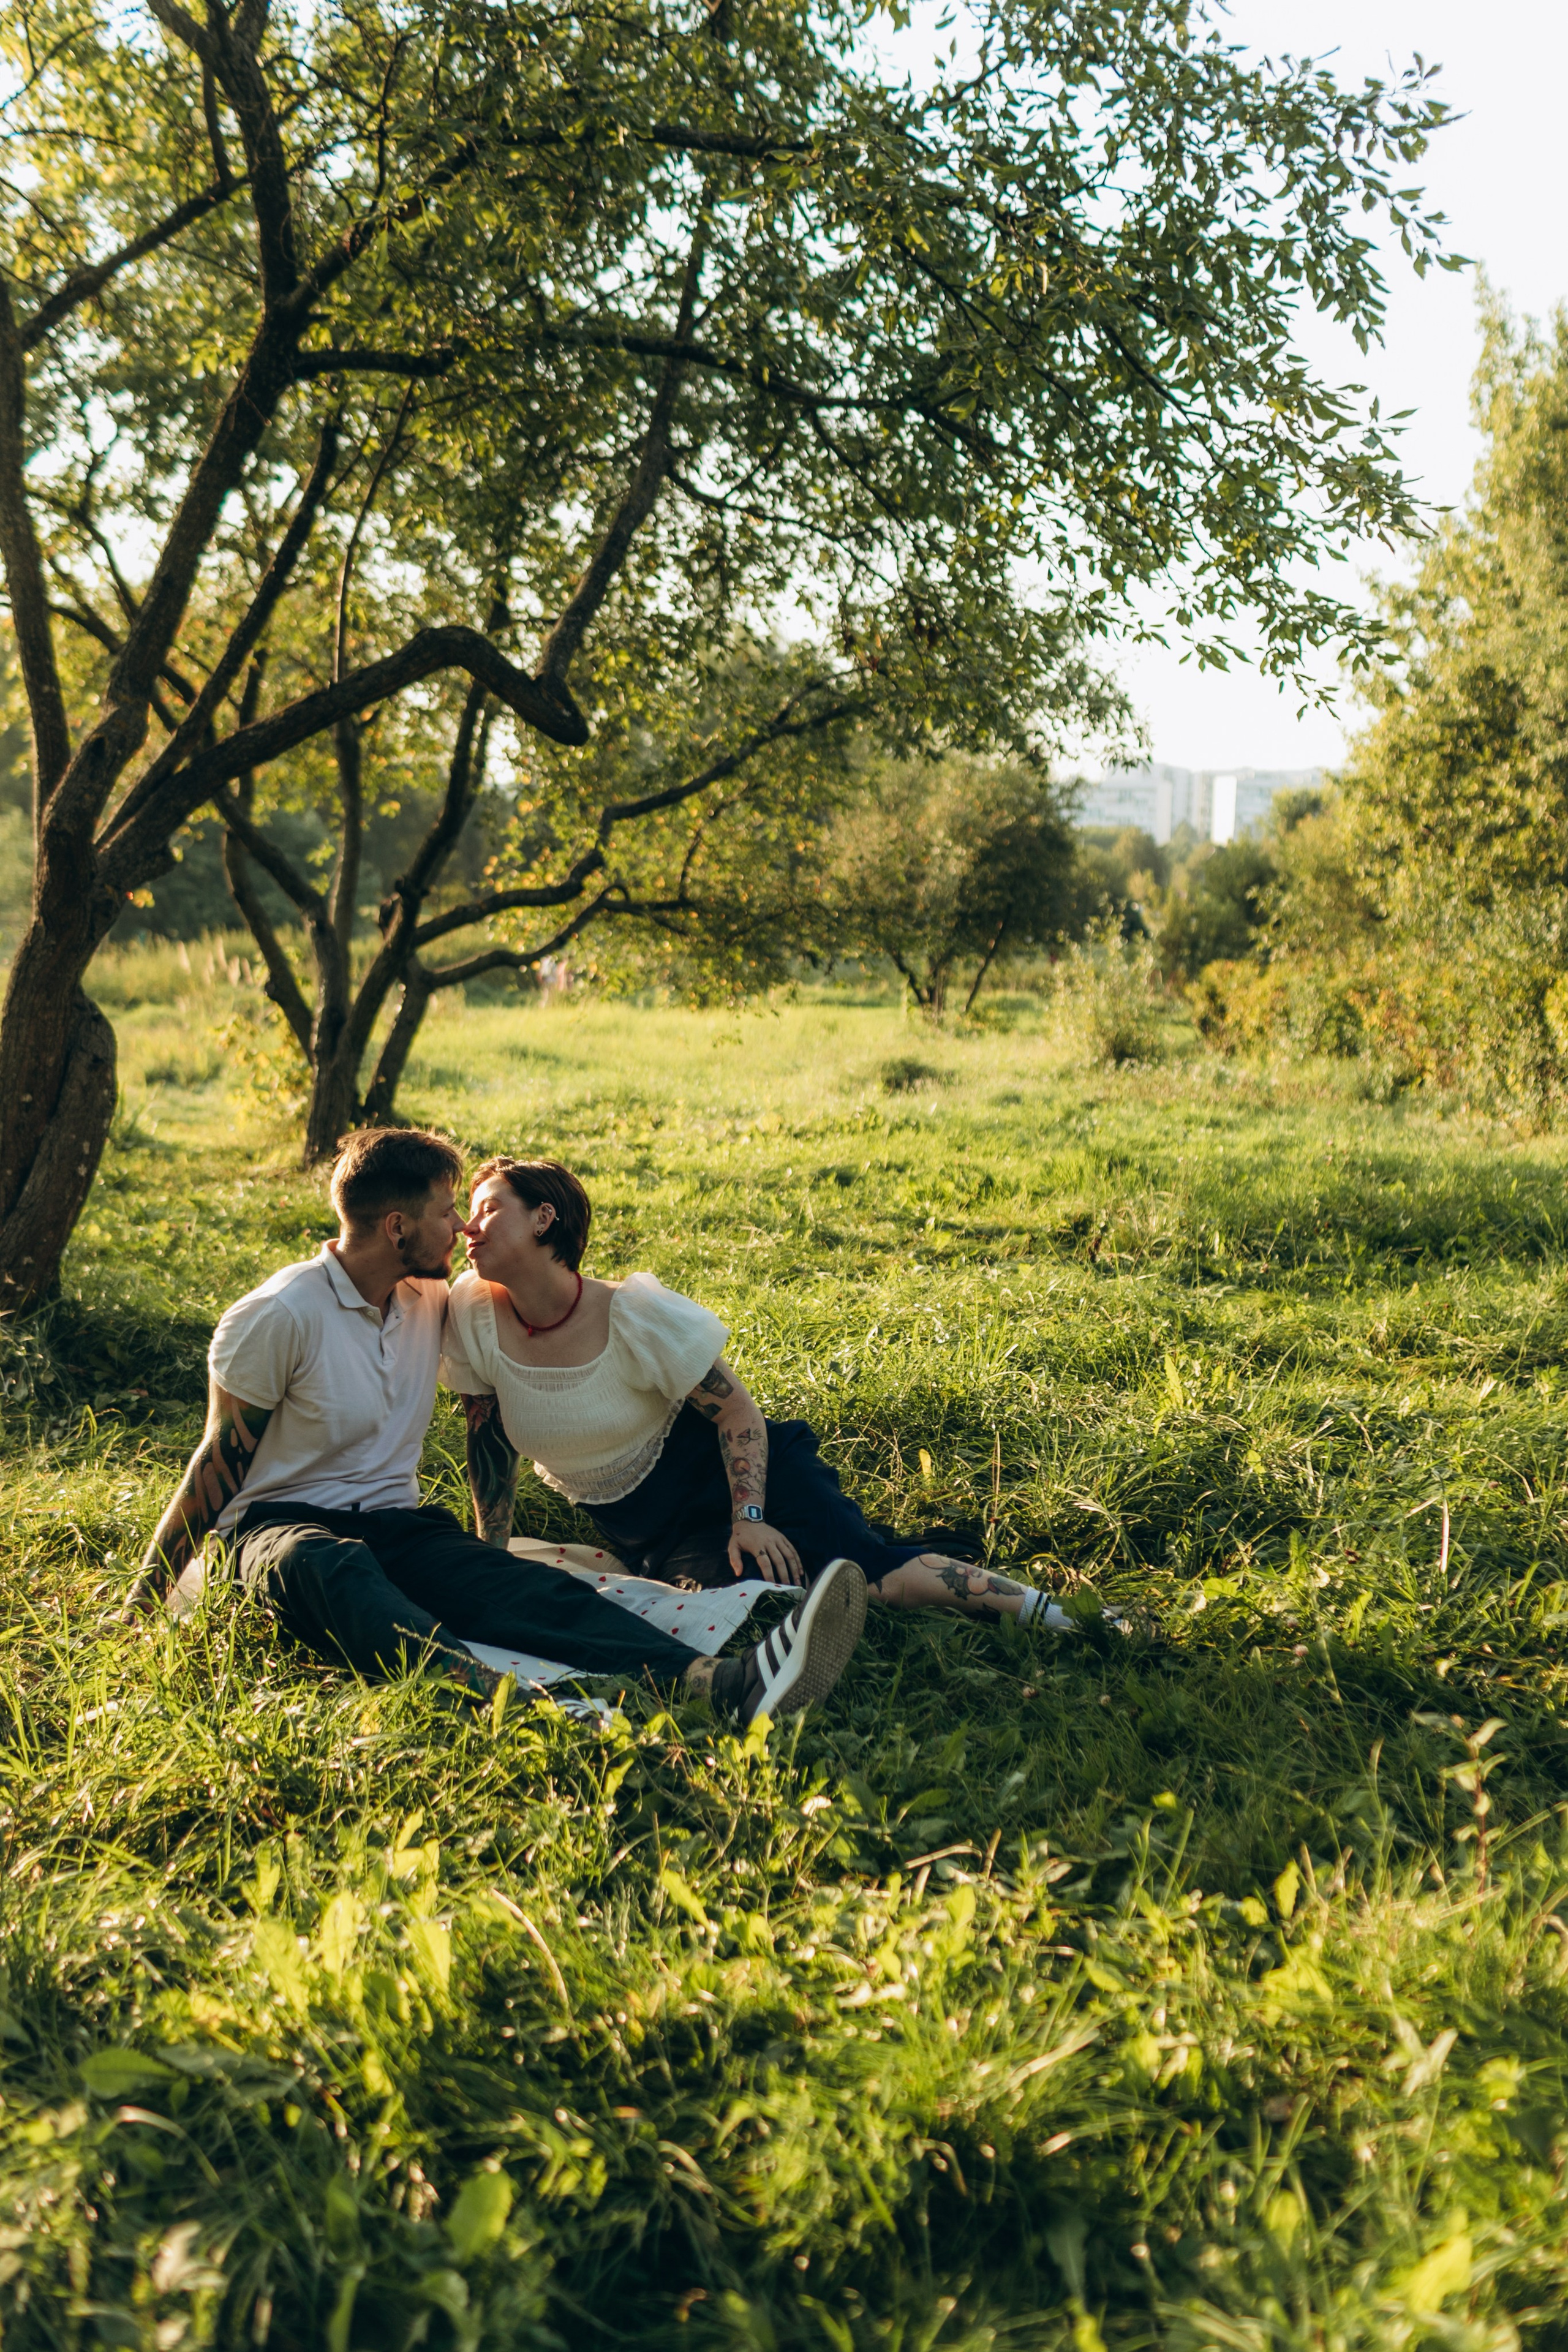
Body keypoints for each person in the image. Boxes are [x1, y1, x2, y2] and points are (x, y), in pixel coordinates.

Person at [135, 1128, 867, 1726]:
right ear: (398, 1227)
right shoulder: (279, 1315)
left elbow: (503, 1383)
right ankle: (489, 1693)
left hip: (393, 1522)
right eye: (448, 1210)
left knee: (515, 1586)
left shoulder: (431, 1302)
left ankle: (721, 1682)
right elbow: (216, 1464)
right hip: (273, 1528)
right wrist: (141, 1604)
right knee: (325, 1568)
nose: (461, 1224)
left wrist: (487, 1548)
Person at [443, 1156, 1077, 1626]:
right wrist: (488, 1553)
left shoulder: (633, 1316)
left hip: (738, 1482)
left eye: (488, 1208)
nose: (468, 1228)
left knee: (869, 1577)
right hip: (649, 1532)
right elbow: (489, 1440)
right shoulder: (472, 1314)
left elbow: (737, 1412)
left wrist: (748, 1518)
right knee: (748, 1609)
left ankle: (1065, 1618)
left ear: (543, 1219)